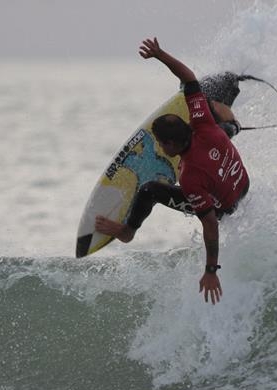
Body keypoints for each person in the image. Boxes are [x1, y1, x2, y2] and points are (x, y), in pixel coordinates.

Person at [95, 37, 251, 305]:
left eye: (159, 142)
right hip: (242, 183)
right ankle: (232, 124)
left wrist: (211, 271)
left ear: (170, 144)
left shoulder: (190, 177)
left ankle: (127, 232)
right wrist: (159, 54)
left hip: (225, 205)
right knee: (222, 128)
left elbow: (211, 223)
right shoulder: (202, 123)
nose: (158, 145)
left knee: (150, 190)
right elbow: (190, 79)